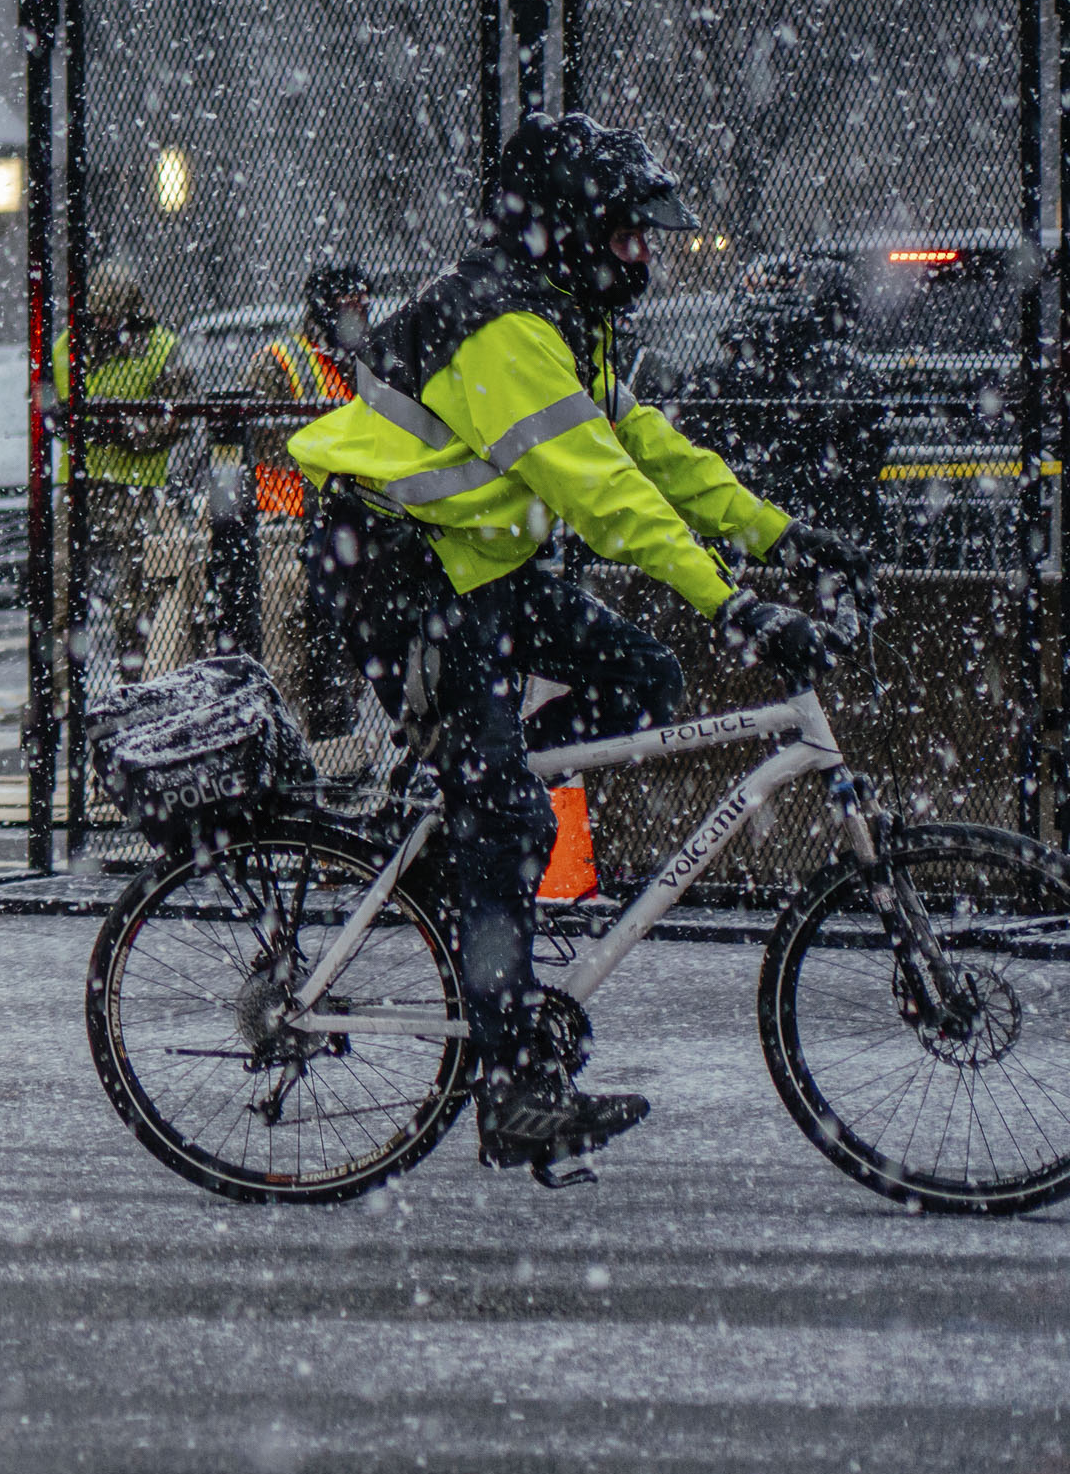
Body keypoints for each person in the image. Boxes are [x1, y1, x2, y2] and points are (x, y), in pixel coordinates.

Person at [288, 113, 864, 1179]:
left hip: (475, 569)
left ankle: (466, 804)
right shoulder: (502, 331)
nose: (643, 255)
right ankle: (510, 1089)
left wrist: (783, 535)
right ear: (562, 229)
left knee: (644, 677)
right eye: (626, 233)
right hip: (399, 575)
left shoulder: (559, 317)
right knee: (507, 816)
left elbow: (651, 453)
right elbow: (603, 499)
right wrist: (735, 603)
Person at [673, 256, 892, 553]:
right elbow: (870, 451)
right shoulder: (845, 374)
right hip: (828, 527)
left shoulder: (725, 380)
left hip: (751, 530)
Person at [244, 265, 369, 762]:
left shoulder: (361, 365)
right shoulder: (282, 361)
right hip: (284, 528)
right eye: (348, 305)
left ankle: (337, 759)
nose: (357, 315)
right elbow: (265, 439)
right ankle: (286, 764)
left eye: (362, 305)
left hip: (345, 531)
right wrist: (336, 447)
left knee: (343, 658)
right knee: (288, 661)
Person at [50, 264, 185, 677]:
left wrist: (119, 429)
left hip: (138, 488)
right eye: (98, 317)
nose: (104, 324)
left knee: (136, 605)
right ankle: (58, 692)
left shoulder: (161, 347)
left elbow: (174, 418)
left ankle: (135, 689)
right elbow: (44, 407)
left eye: (112, 316)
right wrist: (66, 421)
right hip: (80, 485)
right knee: (59, 595)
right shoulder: (66, 347)